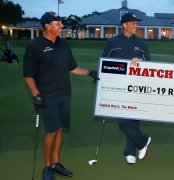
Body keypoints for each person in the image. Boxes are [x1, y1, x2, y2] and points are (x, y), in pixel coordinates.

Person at [23, 11, 99, 180]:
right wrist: (36, 94)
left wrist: (90, 73)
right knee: (51, 131)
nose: (62, 26)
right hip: (47, 96)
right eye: (58, 24)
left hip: (64, 94)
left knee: (59, 130)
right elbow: (28, 75)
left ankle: (56, 163)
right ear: (47, 26)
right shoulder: (34, 46)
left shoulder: (63, 45)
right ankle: (47, 168)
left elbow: (71, 67)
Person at [102, 12, 151, 165]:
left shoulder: (141, 43)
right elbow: (104, 63)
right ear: (124, 25)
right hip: (117, 88)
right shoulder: (113, 42)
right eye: (133, 23)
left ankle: (130, 152)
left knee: (133, 120)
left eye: (136, 23)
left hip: (136, 87)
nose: (136, 25)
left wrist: (141, 61)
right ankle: (143, 141)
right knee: (123, 120)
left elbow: (150, 65)